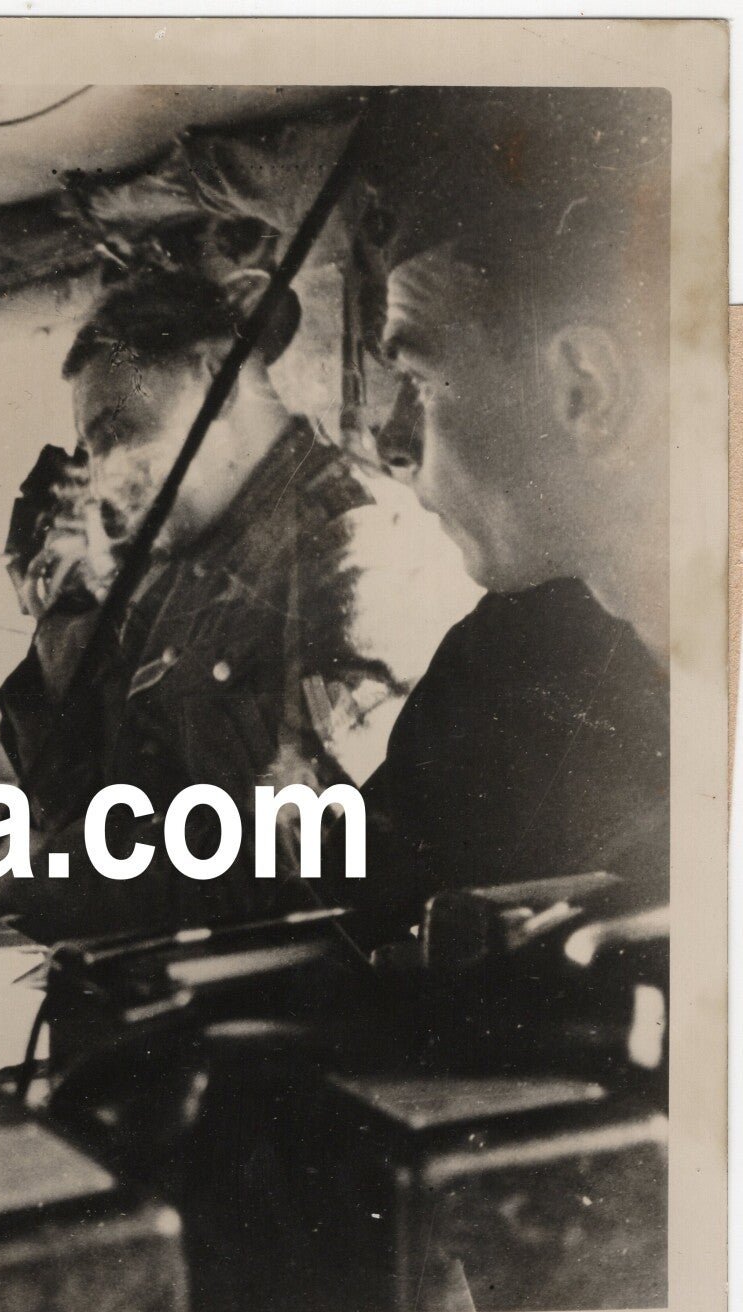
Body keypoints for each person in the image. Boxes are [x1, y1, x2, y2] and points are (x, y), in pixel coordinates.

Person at [0, 265, 413, 944]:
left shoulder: (353, 546)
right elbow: (89, 797)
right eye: (91, 446)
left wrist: (39, 875)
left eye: (117, 429)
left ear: (216, 378)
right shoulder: (177, 567)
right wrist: (65, 619)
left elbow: (297, 848)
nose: (103, 473)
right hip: (157, 972)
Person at [335, 87, 672, 918]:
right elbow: (352, 897)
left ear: (585, 391)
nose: (390, 441)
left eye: (416, 376)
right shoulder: (505, 649)